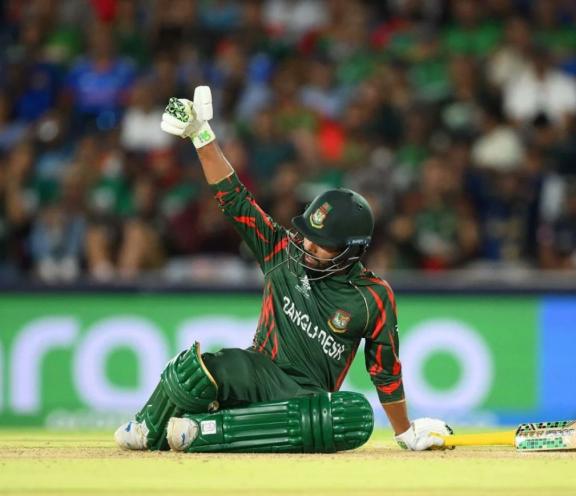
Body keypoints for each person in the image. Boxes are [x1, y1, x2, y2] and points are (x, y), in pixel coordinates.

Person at [114, 87, 451, 452]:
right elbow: (234, 198)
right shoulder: (282, 250)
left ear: (351, 251)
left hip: (304, 400)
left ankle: (203, 431)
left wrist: (405, 432)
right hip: (256, 371)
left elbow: (385, 371)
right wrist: (201, 136)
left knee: (353, 416)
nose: (308, 247)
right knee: (192, 371)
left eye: (321, 243)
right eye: (308, 236)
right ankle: (148, 425)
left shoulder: (373, 297)